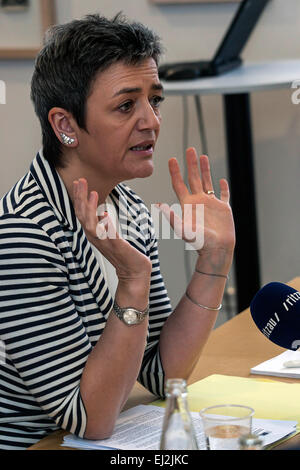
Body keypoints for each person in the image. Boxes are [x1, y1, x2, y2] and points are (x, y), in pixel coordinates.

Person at [0, 13, 235, 450]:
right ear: (65, 126)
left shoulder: (123, 202)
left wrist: (213, 262)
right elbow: (89, 418)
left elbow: (163, 372)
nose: (151, 121)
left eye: (155, 100)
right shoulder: (23, 233)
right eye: (127, 105)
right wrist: (133, 282)